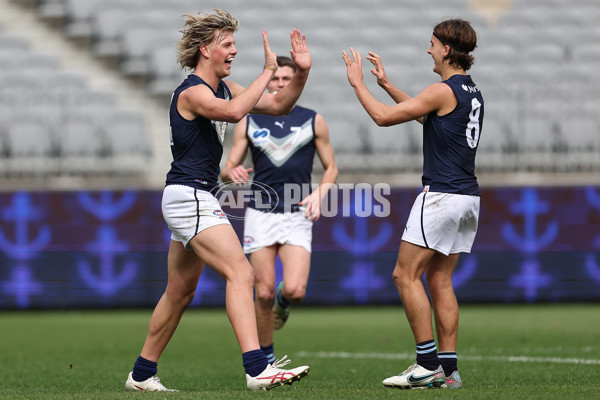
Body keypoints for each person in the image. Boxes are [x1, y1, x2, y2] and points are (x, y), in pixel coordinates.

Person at [124, 9, 313, 392]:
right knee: (242, 275)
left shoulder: (222, 89)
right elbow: (235, 112)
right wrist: (268, 68)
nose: (233, 51)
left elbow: (280, 107)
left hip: (193, 195)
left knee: (179, 292)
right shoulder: (194, 91)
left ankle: (141, 375)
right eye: (227, 45)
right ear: (205, 49)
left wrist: (303, 72)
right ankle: (258, 368)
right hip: (189, 196)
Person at [343, 18, 483, 389]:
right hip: (468, 198)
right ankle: (449, 372)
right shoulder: (471, 92)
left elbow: (383, 117)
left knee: (404, 275)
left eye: (433, 44)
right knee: (440, 280)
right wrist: (386, 84)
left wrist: (358, 85)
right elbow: (426, 115)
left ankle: (426, 364)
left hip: (441, 195)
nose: (429, 50)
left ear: (447, 51)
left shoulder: (443, 88)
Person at [220, 56, 338, 364]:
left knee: (296, 290)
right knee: (262, 292)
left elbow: (331, 168)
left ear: (295, 82)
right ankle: (267, 360)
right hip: (261, 213)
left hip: (298, 213)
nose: (281, 83)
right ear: (268, 81)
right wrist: (231, 172)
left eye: (287, 78)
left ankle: (283, 306)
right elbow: (228, 166)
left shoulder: (313, 120)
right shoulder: (249, 118)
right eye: (276, 79)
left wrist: (320, 194)